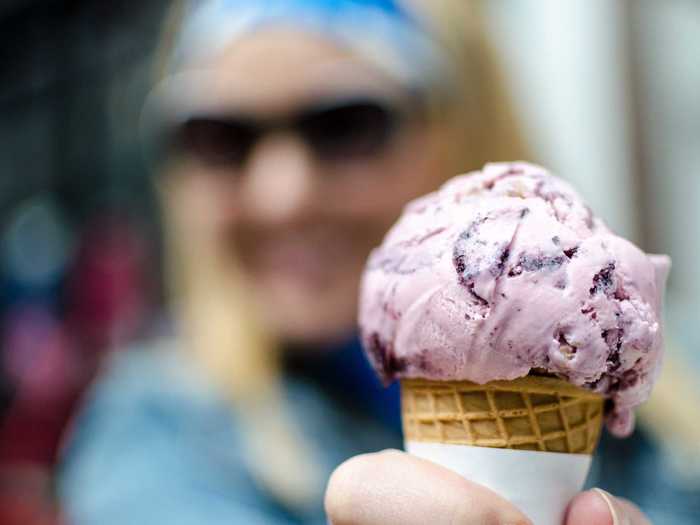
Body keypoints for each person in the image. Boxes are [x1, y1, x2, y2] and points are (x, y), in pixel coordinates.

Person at [57, 1, 653, 523]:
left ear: (468, 127)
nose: (282, 197)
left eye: (345, 125)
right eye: (221, 137)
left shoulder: (670, 402)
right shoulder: (155, 432)